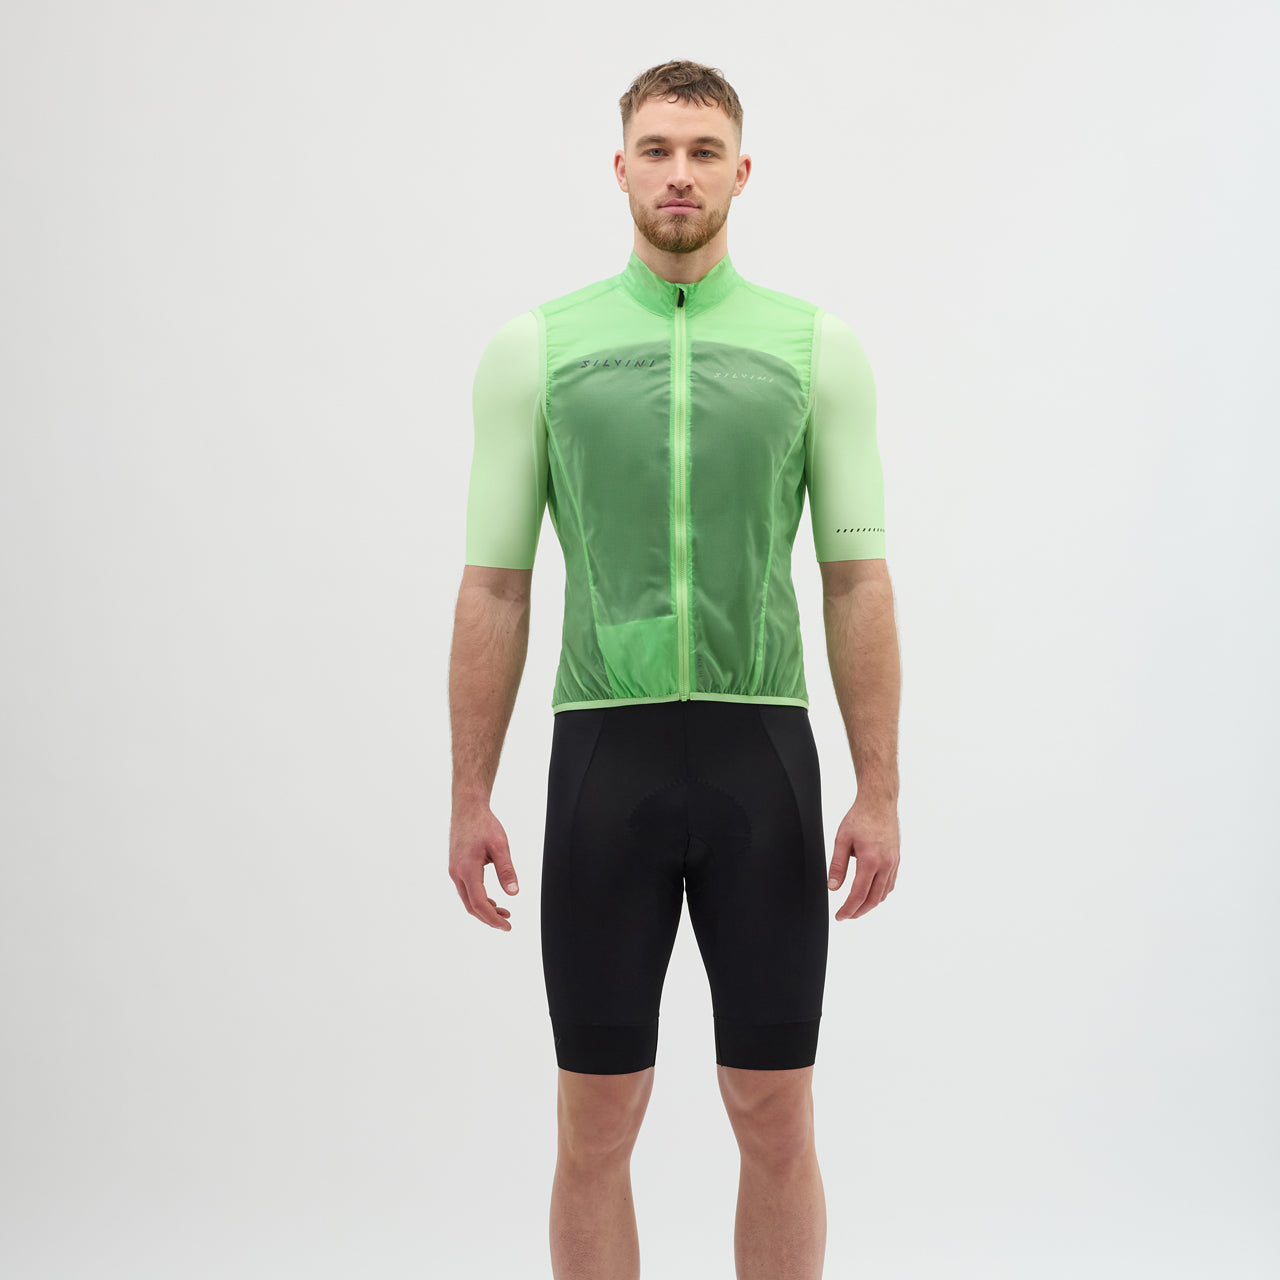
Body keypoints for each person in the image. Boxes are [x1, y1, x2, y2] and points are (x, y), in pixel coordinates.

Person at [448, 58, 901, 1280]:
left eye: (703, 151)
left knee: (774, 1110)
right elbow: (495, 586)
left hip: (764, 763)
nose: (679, 174)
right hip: (606, 758)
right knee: (595, 1121)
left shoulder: (816, 349)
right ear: (620, 169)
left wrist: (878, 786)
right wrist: (468, 791)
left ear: (741, 171)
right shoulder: (537, 349)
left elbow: (855, 580)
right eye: (656, 149)